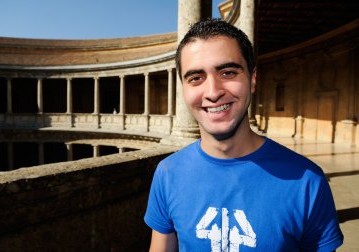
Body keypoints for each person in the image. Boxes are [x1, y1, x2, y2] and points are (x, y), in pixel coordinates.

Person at [144, 18, 343, 251]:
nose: (212, 92)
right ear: (183, 89)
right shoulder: (168, 173)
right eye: (196, 78)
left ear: (253, 79)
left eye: (228, 73)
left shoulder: (308, 182)